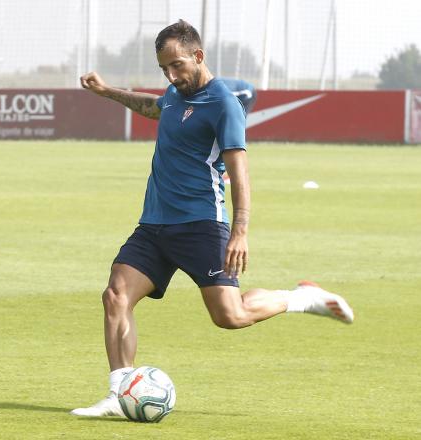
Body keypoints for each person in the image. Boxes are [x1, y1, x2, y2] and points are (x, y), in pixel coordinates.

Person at [71, 19, 354, 418]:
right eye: (164, 69)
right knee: (116, 295)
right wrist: (106, 92)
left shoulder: (223, 103)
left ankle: (302, 298)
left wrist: (240, 231)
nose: (171, 75)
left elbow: (240, 172)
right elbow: (153, 106)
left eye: (177, 65)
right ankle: (120, 393)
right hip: (154, 224)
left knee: (230, 315)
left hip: (201, 223)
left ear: (198, 56)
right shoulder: (174, 93)